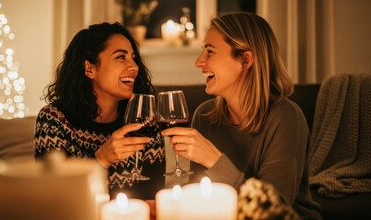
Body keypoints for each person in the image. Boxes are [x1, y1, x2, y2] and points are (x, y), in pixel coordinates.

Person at [161, 12, 322, 219]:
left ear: (246, 60)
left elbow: (272, 209)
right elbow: (200, 199)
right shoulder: (205, 116)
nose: (199, 62)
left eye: (210, 52)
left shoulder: (286, 118)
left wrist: (213, 159)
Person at [34, 22, 165, 200]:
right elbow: (52, 197)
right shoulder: (54, 120)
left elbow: (152, 196)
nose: (134, 67)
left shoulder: (145, 121)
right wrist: (101, 159)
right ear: (90, 68)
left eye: (133, 58)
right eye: (121, 57)